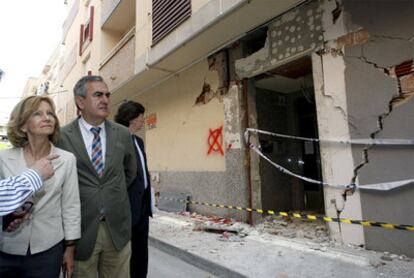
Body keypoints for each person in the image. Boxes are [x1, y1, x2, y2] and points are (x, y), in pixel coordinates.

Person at [58, 75, 137, 278]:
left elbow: (130, 172)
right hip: (81, 232)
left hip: (117, 230)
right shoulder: (61, 137)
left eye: (107, 95)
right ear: (80, 101)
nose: (105, 100)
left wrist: (111, 193)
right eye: (98, 95)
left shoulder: (122, 134)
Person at [0, 96, 81, 278]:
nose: (47, 118)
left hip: (47, 249)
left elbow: (71, 206)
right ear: (23, 126)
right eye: (38, 114)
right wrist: (7, 218)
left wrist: (70, 249)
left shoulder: (67, 159)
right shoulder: (3, 158)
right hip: (7, 248)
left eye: (50, 113)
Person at [115, 101, 153, 278]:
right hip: (125, 209)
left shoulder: (139, 141)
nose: (143, 120)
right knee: (123, 258)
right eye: (140, 117)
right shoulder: (117, 141)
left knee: (140, 254)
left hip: (143, 208)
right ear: (131, 118)